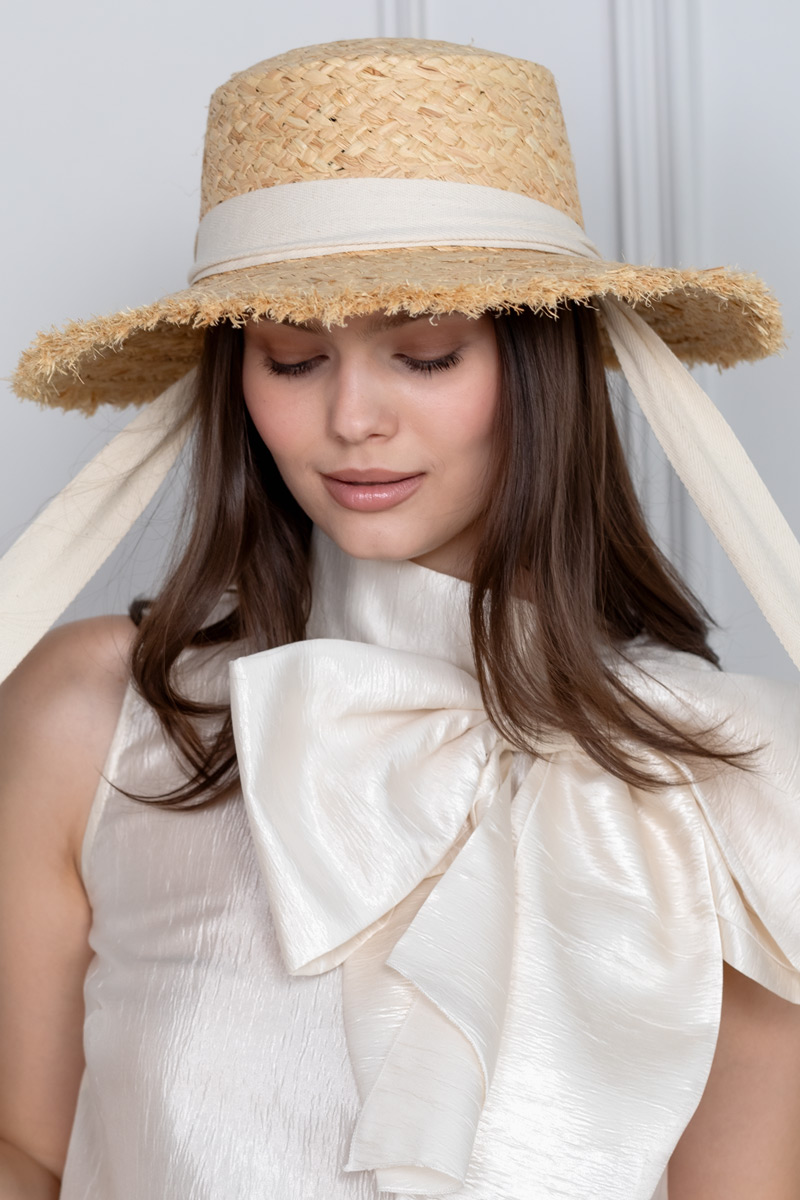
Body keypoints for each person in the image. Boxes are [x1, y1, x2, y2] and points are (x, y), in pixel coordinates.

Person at [1, 35, 799, 1200]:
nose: (352, 418)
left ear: (537, 365)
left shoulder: (729, 784)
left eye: (422, 353)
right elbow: (27, 1153)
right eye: (291, 358)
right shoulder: (99, 716)